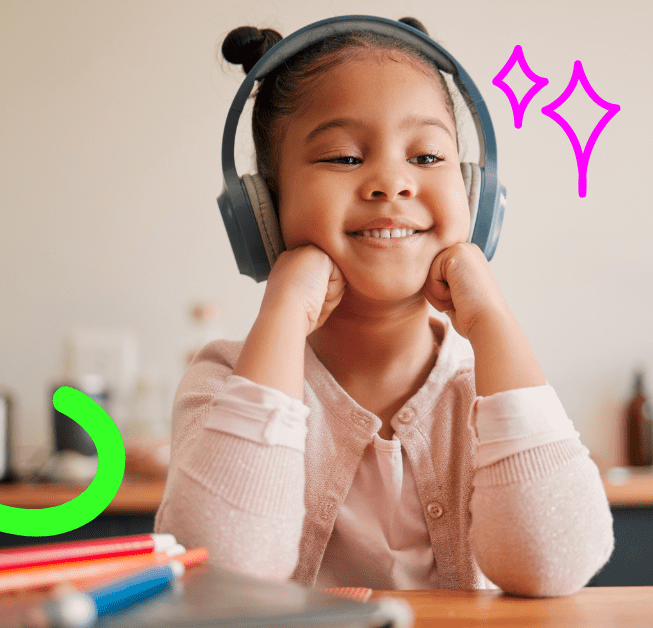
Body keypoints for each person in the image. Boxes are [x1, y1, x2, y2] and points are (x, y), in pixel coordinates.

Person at [155, 16, 614, 597]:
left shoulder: (494, 390)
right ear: (263, 211)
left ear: (476, 197)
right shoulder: (225, 383)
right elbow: (220, 572)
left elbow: (553, 566)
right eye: (345, 158)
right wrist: (281, 314)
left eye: (426, 157)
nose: (391, 183)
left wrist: (492, 323)